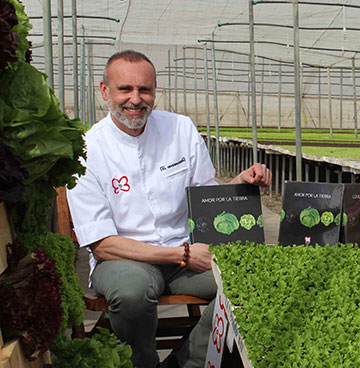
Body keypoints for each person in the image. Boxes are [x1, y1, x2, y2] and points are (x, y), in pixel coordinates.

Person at [67, 50, 272, 368]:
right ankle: (143, 363)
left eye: (145, 89)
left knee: (253, 280)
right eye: (125, 89)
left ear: (155, 91)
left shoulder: (181, 130)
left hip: (186, 256)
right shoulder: (86, 150)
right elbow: (103, 244)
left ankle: (187, 361)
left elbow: (205, 198)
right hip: (126, 259)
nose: (136, 99)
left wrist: (241, 182)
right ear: (105, 91)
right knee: (132, 293)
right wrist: (184, 255)